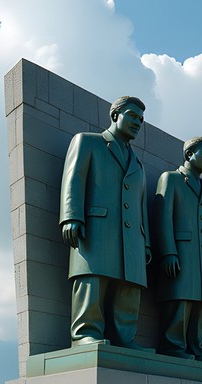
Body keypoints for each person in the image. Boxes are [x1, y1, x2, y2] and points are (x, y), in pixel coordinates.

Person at [59, 95, 152, 349]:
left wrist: (146, 242)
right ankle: (84, 333)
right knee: (93, 278)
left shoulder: (138, 163)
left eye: (141, 120)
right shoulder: (88, 142)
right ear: (115, 115)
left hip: (132, 236)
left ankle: (125, 337)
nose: (137, 123)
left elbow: (141, 205)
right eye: (132, 116)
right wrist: (71, 216)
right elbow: (74, 178)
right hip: (97, 226)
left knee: (129, 286)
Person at [153, 136, 202, 361]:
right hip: (182, 254)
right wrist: (168, 251)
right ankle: (173, 346)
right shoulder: (171, 179)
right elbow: (162, 218)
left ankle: (198, 349)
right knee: (181, 300)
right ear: (189, 155)